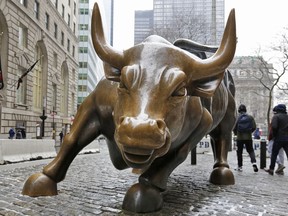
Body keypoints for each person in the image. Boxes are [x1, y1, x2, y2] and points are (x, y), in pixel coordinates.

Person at [233, 104, 258, 172]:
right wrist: (250, 132)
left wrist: (236, 133)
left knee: (239, 152)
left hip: (240, 138)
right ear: (245, 110)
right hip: (248, 137)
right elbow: (254, 127)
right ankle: (254, 163)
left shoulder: (237, 118)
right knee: (250, 150)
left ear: (239, 110)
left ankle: (240, 166)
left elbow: (234, 128)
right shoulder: (250, 117)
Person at [265, 104, 288, 175]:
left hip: (278, 138)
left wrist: (274, 135)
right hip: (287, 138)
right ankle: (280, 169)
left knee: (274, 154)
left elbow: (274, 127)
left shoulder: (276, 116)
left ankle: (271, 169)